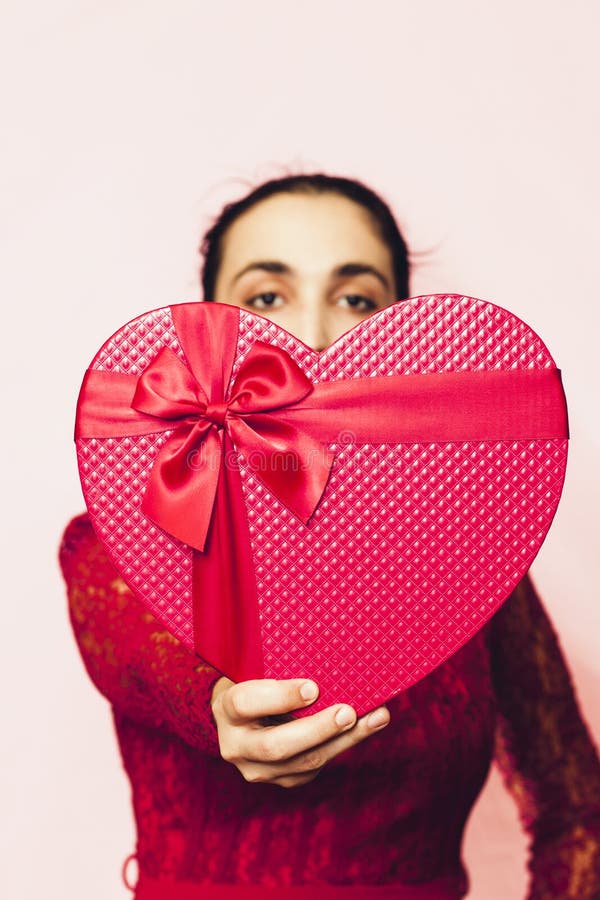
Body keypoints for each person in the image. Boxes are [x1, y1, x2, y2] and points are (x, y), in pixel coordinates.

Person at [59, 173, 600, 899]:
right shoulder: (128, 540)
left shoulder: (474, 559)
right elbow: (140, 657)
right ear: (208, 335)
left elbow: (575, 812)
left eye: (356, 298)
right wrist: (220, 706)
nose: (309, 339)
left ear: (406, 338)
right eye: (264, 298)